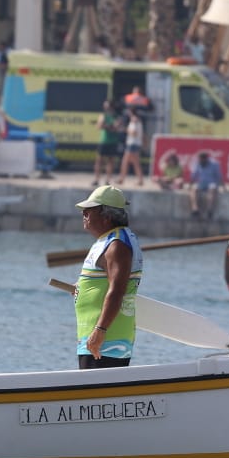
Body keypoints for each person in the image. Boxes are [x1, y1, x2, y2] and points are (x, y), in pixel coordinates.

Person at [73, 185, 144, 369]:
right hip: (96, 338)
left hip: (107, 341)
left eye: (89, 210)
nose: (84, 214)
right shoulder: (110, 239)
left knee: (94, 396)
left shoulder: (117, 244)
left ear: (106, 216)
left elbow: (117, 290)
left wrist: (100, 330)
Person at [187, 150, 225, 219]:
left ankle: (209, 209)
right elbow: (194, 175)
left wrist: (223, 186)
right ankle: (195, 209)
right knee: (193, 189)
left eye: (201, 159)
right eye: (199, 159)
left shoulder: (214, 164)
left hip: (211, 183)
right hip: (201, 183)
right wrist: (190, 185)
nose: (200, 161)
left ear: (205, 159)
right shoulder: (198, 164)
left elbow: (219, 176)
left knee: (212, 189)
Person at [94, 99, 124, 185]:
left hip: (113, 141)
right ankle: (96, 179)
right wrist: (109, 127)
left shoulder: (116, 116)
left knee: (110, 161)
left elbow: (115, 127)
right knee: (99, 161)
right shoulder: (103, 115)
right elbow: (100, 126)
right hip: (104, 140)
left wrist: (106, 126)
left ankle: (108, 180)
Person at [118, 106, 144, 186]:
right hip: (135, 143)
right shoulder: (138, 120)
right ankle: (139, 180)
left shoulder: (134, 120)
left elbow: (134, 133)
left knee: (125, 162)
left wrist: (125, 130)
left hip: (132, 143)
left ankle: (121, 179)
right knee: (135, 163)